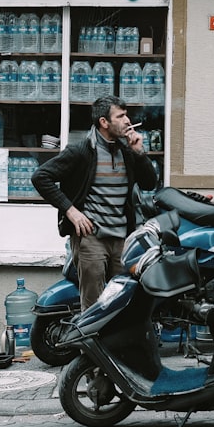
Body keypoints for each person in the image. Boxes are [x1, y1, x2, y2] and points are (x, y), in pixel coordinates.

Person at [32, 95, 158, 310]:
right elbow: (40, 177)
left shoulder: (127, 152)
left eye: (127, 115)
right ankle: (88, 344)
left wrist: (139, 153)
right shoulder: (81, 151)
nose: (128, 120)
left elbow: (149, 183)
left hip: (122, 239)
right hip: (91, 238)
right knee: (93, 305)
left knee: (123, 303)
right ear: (104, 122)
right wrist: (71, 211)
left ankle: (116, 344)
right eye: (120, 116)